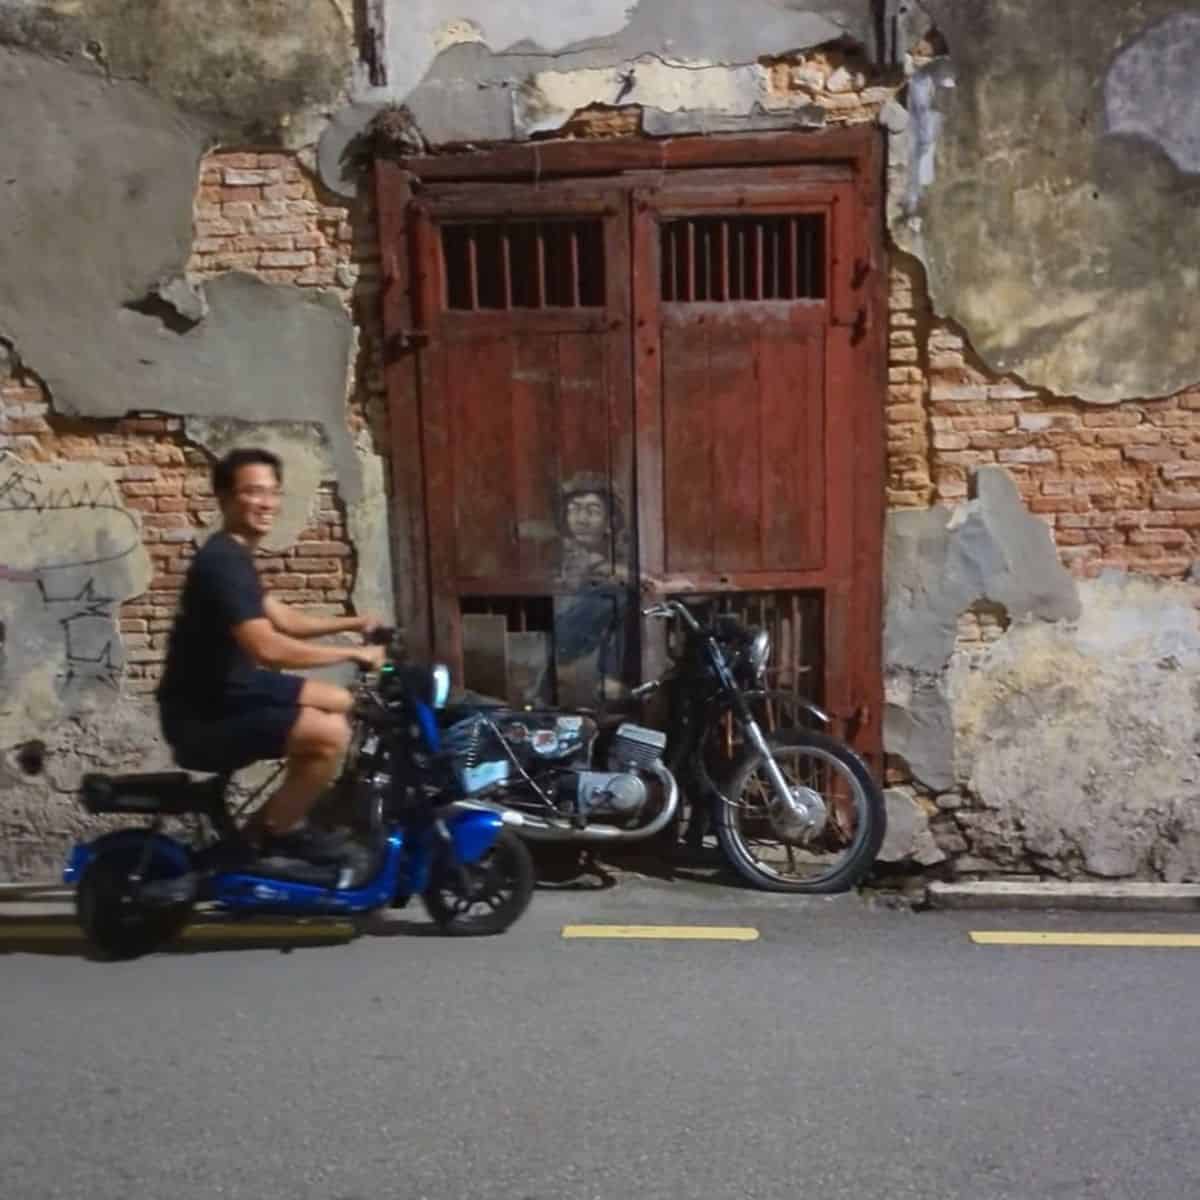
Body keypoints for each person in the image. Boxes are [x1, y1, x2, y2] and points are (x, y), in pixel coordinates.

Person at [156, 448, 385, 863]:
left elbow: (283, 619)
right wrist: (353, 653)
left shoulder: (234, 556)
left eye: (273, 492)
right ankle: (277, 833)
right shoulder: (222, 563)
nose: (267, 503)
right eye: (253, 492)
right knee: (331, 734)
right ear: (225, 498)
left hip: (229, 690)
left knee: (342, 702)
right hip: (204, 712)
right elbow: (268, 647)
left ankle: (264, 828)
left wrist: (351, 624)